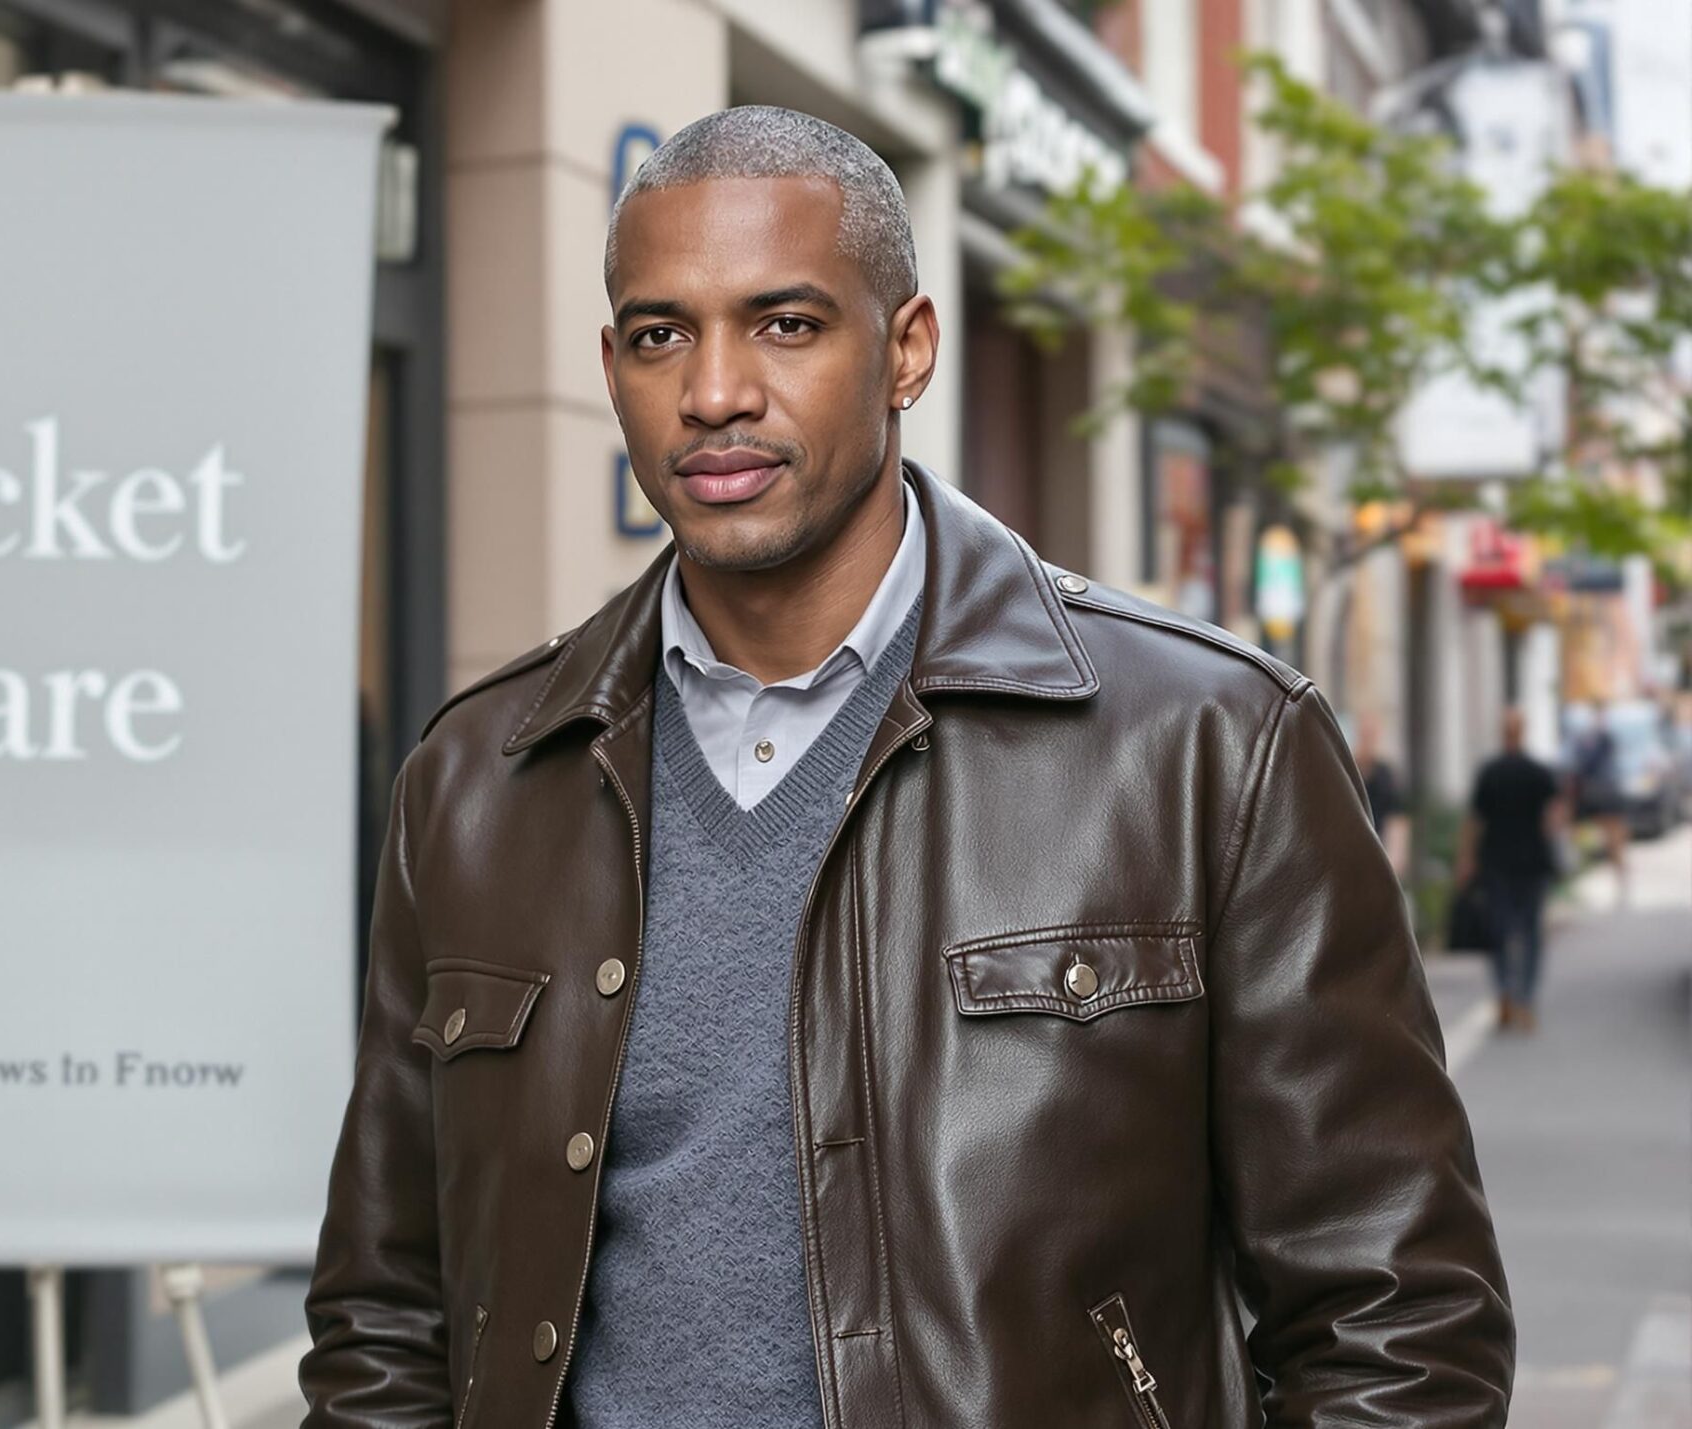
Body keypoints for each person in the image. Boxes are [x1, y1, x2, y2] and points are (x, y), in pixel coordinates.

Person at [299, 107, 1511, 1428]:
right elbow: (388, 1316)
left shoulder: (1206, 741)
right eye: (662, 335)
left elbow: (1397, 1322)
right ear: (612, 366)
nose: (714, 393)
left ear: (907, 349)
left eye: (786, 323)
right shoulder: (480, 777)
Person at [1459, 708, 1566, 1031]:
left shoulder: (1490, 772)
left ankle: (1505, 989)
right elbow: (1556, 813)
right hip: (1532, 861)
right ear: (1523, 732)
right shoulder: (1538, 772)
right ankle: (1526, 999)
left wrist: (1466, 859)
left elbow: (1475, 821)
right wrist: (1550, 837)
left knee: (1500, 930)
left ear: (1503, 732)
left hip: (1496, 862)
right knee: (1531, 932)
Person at [1567, 700, 1627, 904]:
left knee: (1613, 839)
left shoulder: (1603, 738)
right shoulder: (1586, 738)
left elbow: (1584, 765)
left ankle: (1619, 881)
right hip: (1595, 793)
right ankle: (1581, 876)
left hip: (1602, 793)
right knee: (1587, 837)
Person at [1353, 711, 1410, 879]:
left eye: (1371, 734)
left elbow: (1397, 819)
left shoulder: (1386, 775)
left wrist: (1394, 861)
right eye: (1364, 734)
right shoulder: (1347, 772)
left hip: (1380, 853)